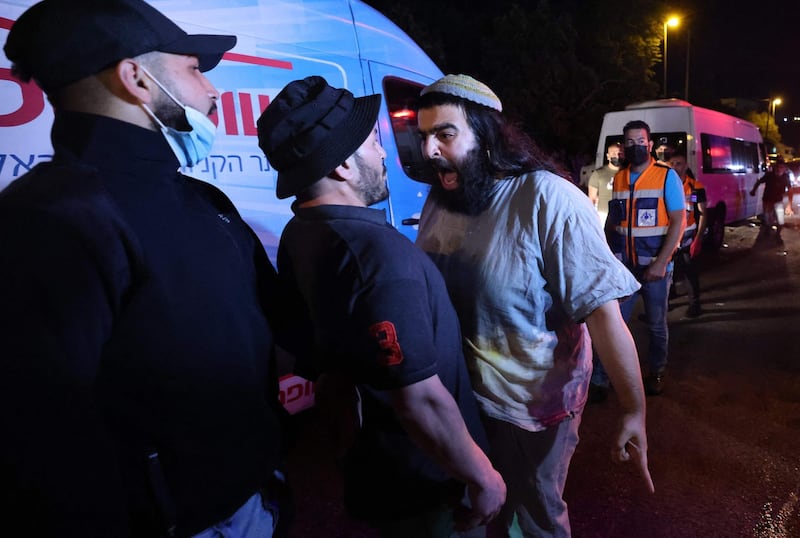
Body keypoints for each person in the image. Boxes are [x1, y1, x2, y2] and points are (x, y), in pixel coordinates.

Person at [0, 1, 290, 536]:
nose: (213, 92)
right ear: (135, 78)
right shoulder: (53, 220)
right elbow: (41, 445)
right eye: (194, 70)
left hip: (253, 497)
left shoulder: (202, 198)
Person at [256, 75, 506, 538]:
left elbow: (312, 355)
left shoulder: (301, 232)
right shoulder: (377, 256)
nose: (385, 153)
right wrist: (482, 477)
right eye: (373, 142)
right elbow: (419, 398)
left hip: (373, 471)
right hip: (426, 485)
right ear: (343, 168)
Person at [414, 74, 654, 538]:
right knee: (484, 509)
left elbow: (605, 317)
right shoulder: (442, 200)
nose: (429, 150)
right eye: (424, 137)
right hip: (465, 399)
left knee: (537, 514)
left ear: (485, 135)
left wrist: (633, 409)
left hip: (533, 407)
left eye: (445, 134)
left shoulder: (547, 198)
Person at [592, 120, 686, 397]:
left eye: (641, 141)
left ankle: (656, 372)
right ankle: (601, 378)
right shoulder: (619, 177)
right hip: (624, 268)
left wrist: (661, 262)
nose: (636, 147)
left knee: (656, 324)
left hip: (656, 268)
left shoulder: (666, 176)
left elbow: (679, 220)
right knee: (613, 324)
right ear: (624, 146)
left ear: (650, 144)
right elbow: (614, 220)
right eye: (630, 142)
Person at [670, 151, 707, 318]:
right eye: (672, 164)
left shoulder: (695, 187)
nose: (675, 167)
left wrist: (698, 238)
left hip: (687, 234)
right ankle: (665, 304)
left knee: (689, 271)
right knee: (667, 270)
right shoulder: (664, 185)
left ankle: (695, 304)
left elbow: (703, 213)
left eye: (679, 163)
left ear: (686, 166)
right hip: (669, 235)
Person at [750, 157, 794, 246]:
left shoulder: (785, 177)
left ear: (784, 169)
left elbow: (790, 190)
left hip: (778, 201)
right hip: (767, 200)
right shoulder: (769, 175)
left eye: (781, 168)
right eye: (777, 167)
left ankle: (778, 235)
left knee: (780, 220)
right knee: (767, 218)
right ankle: (767, 228)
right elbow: (759, 182)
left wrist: (789, 205)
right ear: (775, 167)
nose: (779, 170)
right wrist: (753, 191)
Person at [588, 142, 623, 223]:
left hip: (623, 214)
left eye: (620, 153)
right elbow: (592, 198)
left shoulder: (628, 172)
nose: (617, 156)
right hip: (603, 215)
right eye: (613, 153)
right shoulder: (598, 173)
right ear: (608, 156)